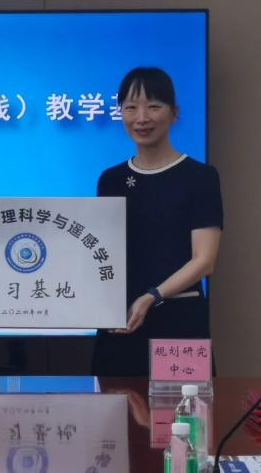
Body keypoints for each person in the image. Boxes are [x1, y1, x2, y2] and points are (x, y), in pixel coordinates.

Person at [92, 67, 223, 376]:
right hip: (120, 320)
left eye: (153, 106)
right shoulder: (111, 179)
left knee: (185, 406)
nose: (142, 118)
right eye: (131, 108)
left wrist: (152, 297)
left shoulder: (200, 177)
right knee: (116, 403)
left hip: (179, 318)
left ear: (174, 113)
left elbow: (204, 261)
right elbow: (100, 253)